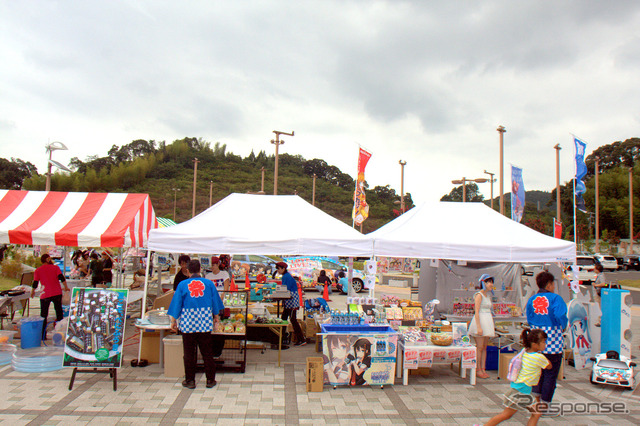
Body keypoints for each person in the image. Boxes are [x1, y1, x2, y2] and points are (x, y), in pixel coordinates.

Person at [168, 259, 224, 389]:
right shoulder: (209, 284)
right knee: (207, 353)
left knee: (189, 353)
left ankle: (190, 381)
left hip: (188, 325)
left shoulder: (182, 285)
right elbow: (215, 302)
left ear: (187, 270)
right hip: (204, 323)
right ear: (200, 270)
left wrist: (173, 321)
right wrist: (216, 317)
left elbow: (177, 304)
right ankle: (210, 380)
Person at [485, 329, 552, 426]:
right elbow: (549, 366)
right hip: (522, 391)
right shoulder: (539, 357)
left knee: (534, 413)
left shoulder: (524, 352)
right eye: (543, 342)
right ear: (534, 344)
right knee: (507, 414)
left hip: (519, 388)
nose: (545, 344)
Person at [526, 271, 568, 413]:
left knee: (537, 372)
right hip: (553, 342)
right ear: (549, 284)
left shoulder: (532, 299)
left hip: (537, 342)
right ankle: (545, 405)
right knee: (550, 374)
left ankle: (536, 401)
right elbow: (560, 315)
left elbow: (529, 318)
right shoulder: (556, 299)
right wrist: (563, 325)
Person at [31, 254, 70, 339]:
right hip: (57, 293)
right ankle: (61, 334)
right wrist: (66, 287)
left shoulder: (38, 270)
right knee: (59, 313)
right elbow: (62, 278)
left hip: (45, 294)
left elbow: (35, 282)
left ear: (42, 261)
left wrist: (32, 291)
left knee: (44, 315)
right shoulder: (55, 268)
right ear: (49, 260)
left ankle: (42, 336)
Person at [467, 274, 495, 379]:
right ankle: (478, 368)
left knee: (484, 347)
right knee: (479, 347)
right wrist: (478, 327)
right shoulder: (479, 295)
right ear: (484, 283)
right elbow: (476, 311)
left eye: (492, 282)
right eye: (489, 282)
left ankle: (483, 368)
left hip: (487, 320)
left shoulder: (488, 295)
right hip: (481, 321)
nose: (491, 284)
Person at [204, 256, 230, 357]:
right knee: (211, 328)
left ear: (218, 264)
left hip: (221, 304)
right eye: (211, 265)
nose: (212, 267)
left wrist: (221, 298)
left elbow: (226, 289)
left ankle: (218, 350)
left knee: (220, 326)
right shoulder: (208, 276)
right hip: (210, 305)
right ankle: (210, 350)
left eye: (214, 265)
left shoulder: (224, 274)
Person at [276, 261, 306, 346]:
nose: (278, 270)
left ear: (283, 268)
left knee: (293, 320)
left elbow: (286, 289)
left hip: (291, 301)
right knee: (284, 318)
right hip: (288, 300)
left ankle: (301, 339)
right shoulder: (286, 276)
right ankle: (281, 337)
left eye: (278, 268)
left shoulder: (287, 277)